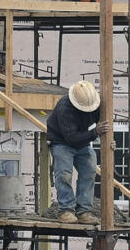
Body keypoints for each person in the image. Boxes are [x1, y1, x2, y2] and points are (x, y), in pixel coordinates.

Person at [46, 80, 108, 224]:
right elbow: (72, 138)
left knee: (89, 170)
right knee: (64, 174)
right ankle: (65, 211)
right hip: (61, 141)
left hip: (81, 138)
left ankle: (84, 211)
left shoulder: (95, 103)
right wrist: (95, 132)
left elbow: (104, 124)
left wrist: (108, 138)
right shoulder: (65, 108)